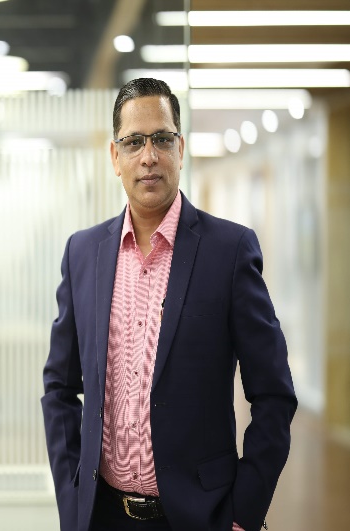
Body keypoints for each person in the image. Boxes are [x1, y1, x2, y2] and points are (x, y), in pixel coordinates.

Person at [41, 78, 297, 531]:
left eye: (161, 139)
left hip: (200, 517)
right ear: (114, 157)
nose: (149, 156)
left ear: (180, 148)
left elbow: (273, 393)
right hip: (102, 516)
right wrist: (71, 497)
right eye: (133, 142)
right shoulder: (83, 254)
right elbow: (60, 389)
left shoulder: (229, 251)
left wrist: (244, 512)